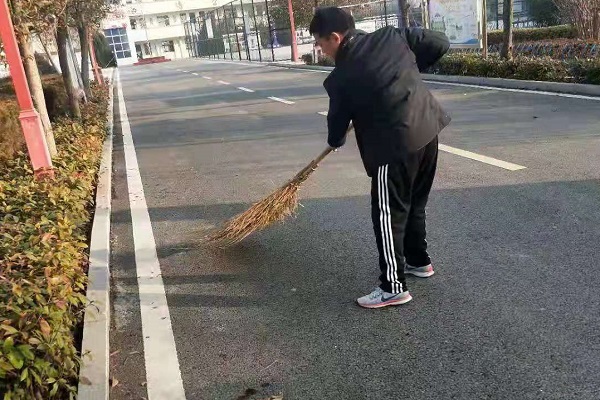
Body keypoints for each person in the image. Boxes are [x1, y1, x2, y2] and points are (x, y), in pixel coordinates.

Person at [309, 7, 452, 309]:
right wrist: (407, 70)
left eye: (321, 44)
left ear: (335, 37)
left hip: (394, 146)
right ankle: (418, 261)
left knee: (387, 215)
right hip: (428, 131)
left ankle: (393, 287)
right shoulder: (391, 37)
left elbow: (337, 126)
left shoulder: (341, 76)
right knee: (414, 203)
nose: (321, 51)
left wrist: (336, 140)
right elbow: (440, 42)